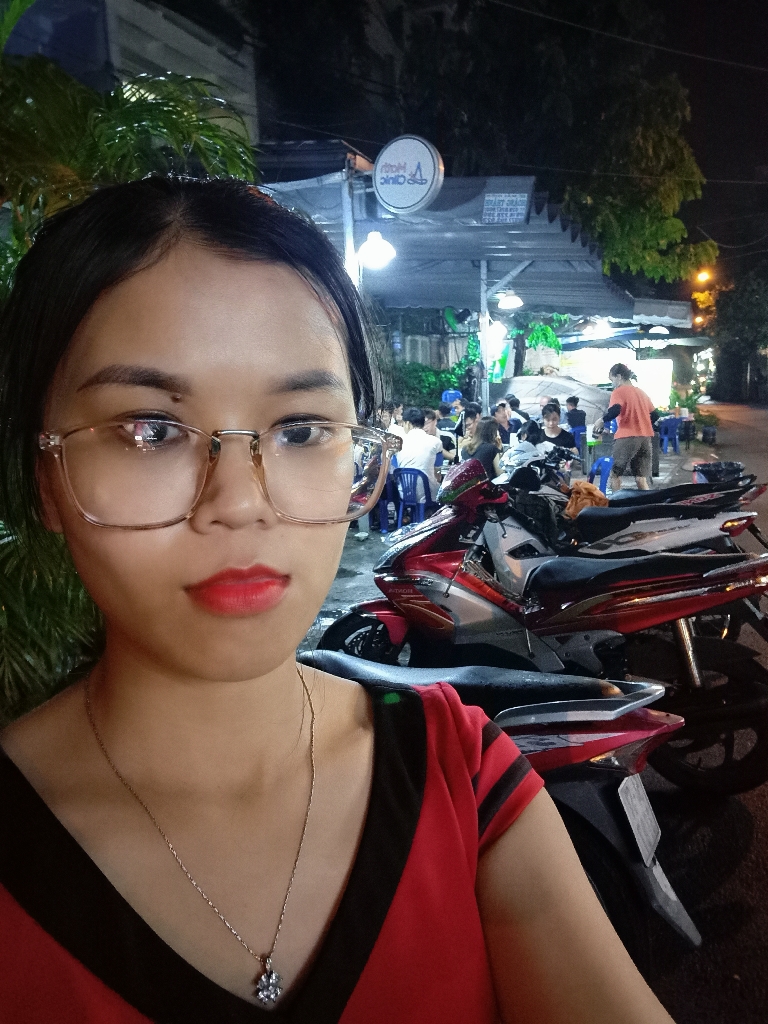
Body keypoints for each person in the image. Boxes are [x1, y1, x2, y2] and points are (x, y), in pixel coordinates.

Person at [0, 177, 673, 1024]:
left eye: (301, 429)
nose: (240, 501)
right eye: (150, 430)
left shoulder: (463, 778)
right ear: (45, 477)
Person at [592, 363, 659, 492]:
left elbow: (615, 410)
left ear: (618, 376)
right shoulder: (641, 392)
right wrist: (642, 423)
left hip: (627, 436)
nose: (612, 384)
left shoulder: (619, 392)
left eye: (612, 380)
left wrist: (602, 420)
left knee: (615, 474)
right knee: (641, 478)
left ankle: (617, 502)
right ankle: (647, 502)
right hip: (645, 437)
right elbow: (655, 415)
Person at [397, 407, 443, 502]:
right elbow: (438, 472)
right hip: (428, 494)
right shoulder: (436, 442)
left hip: (404, 494)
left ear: (408, 424)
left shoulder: (397, 443)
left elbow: (395, 469)